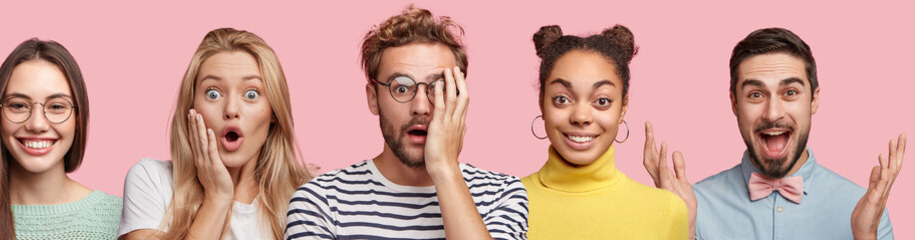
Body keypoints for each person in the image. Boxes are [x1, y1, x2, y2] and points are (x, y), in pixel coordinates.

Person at [285, 5, 528, 239]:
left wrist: (445, 170)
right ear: (373, 98)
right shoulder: (320, 202)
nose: (421, 107)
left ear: (460, 96)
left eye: (439, 88)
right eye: (401, 88)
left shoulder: (501, 194)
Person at [644, 27, 904, 239]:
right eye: (756, 95)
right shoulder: (693, 208)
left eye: (790, 92)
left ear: (813, 100)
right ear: (735, 104)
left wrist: (865, 236)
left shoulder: (866, 210)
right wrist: (682, 230)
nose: (772, 113)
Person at [118, 28, 313, 239]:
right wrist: (217, 198)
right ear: (191, 106)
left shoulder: (307, 197)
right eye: (213, 93)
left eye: (251, 94)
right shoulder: (152, 180)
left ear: (273, 111)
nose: (231, 110)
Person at [0, 38, 122, 239]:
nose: (37, 124)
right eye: (19, 105)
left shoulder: (122, 220)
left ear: (78, 118)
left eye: (56, 106)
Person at [522, 24, 688, 239]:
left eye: (602, 101)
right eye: (562, 99)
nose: (581, 117)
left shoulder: (667, 210)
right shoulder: (501, 203)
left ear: (623, 107)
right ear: (542, 102)